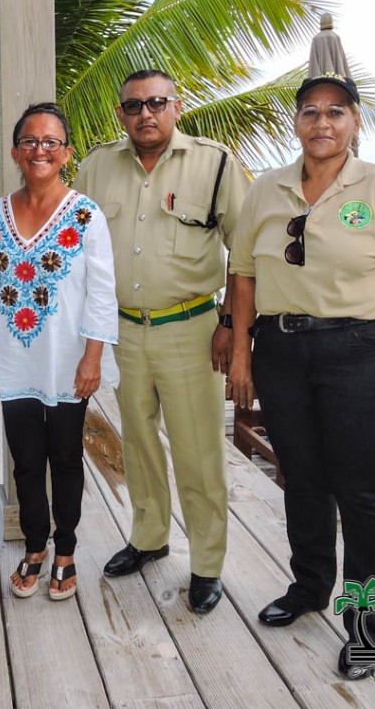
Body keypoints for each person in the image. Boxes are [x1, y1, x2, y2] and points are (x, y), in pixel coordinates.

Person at [226, 72, 375, 678]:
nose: (322, 123)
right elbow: (243, 273)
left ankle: (369, 625)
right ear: (296, 122)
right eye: (310, 112)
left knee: (362, 489)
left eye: (336, 112)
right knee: (302, 478)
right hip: (281, 351)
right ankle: (310, 587)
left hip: (364, 353)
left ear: (354, 122)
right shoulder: (266, 189)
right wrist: (241, 351)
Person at [73, 69, 250, 614]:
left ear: (177, 106)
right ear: (121, 114)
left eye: (156, 103)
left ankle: (207, 563)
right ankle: (149, 536)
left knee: (198, 450)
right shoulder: (96, 166)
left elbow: (244, 254)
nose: (145, 114)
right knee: (138, 442)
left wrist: (230, 325)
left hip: (192, 329)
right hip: (123, 328)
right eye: (133, 106)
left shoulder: (215, 163)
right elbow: (75, 243)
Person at [0, 103, 118, 601]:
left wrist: (93, 357)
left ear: (66, 153)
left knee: (66, 458)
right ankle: (35, 546)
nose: (40, 150)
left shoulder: (86, 215)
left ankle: (65, 550)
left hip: (69, 360)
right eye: (30, 141)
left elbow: (102, 293)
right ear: (15, 152)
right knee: (26, 461)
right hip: (15, 358)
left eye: (51, 142)